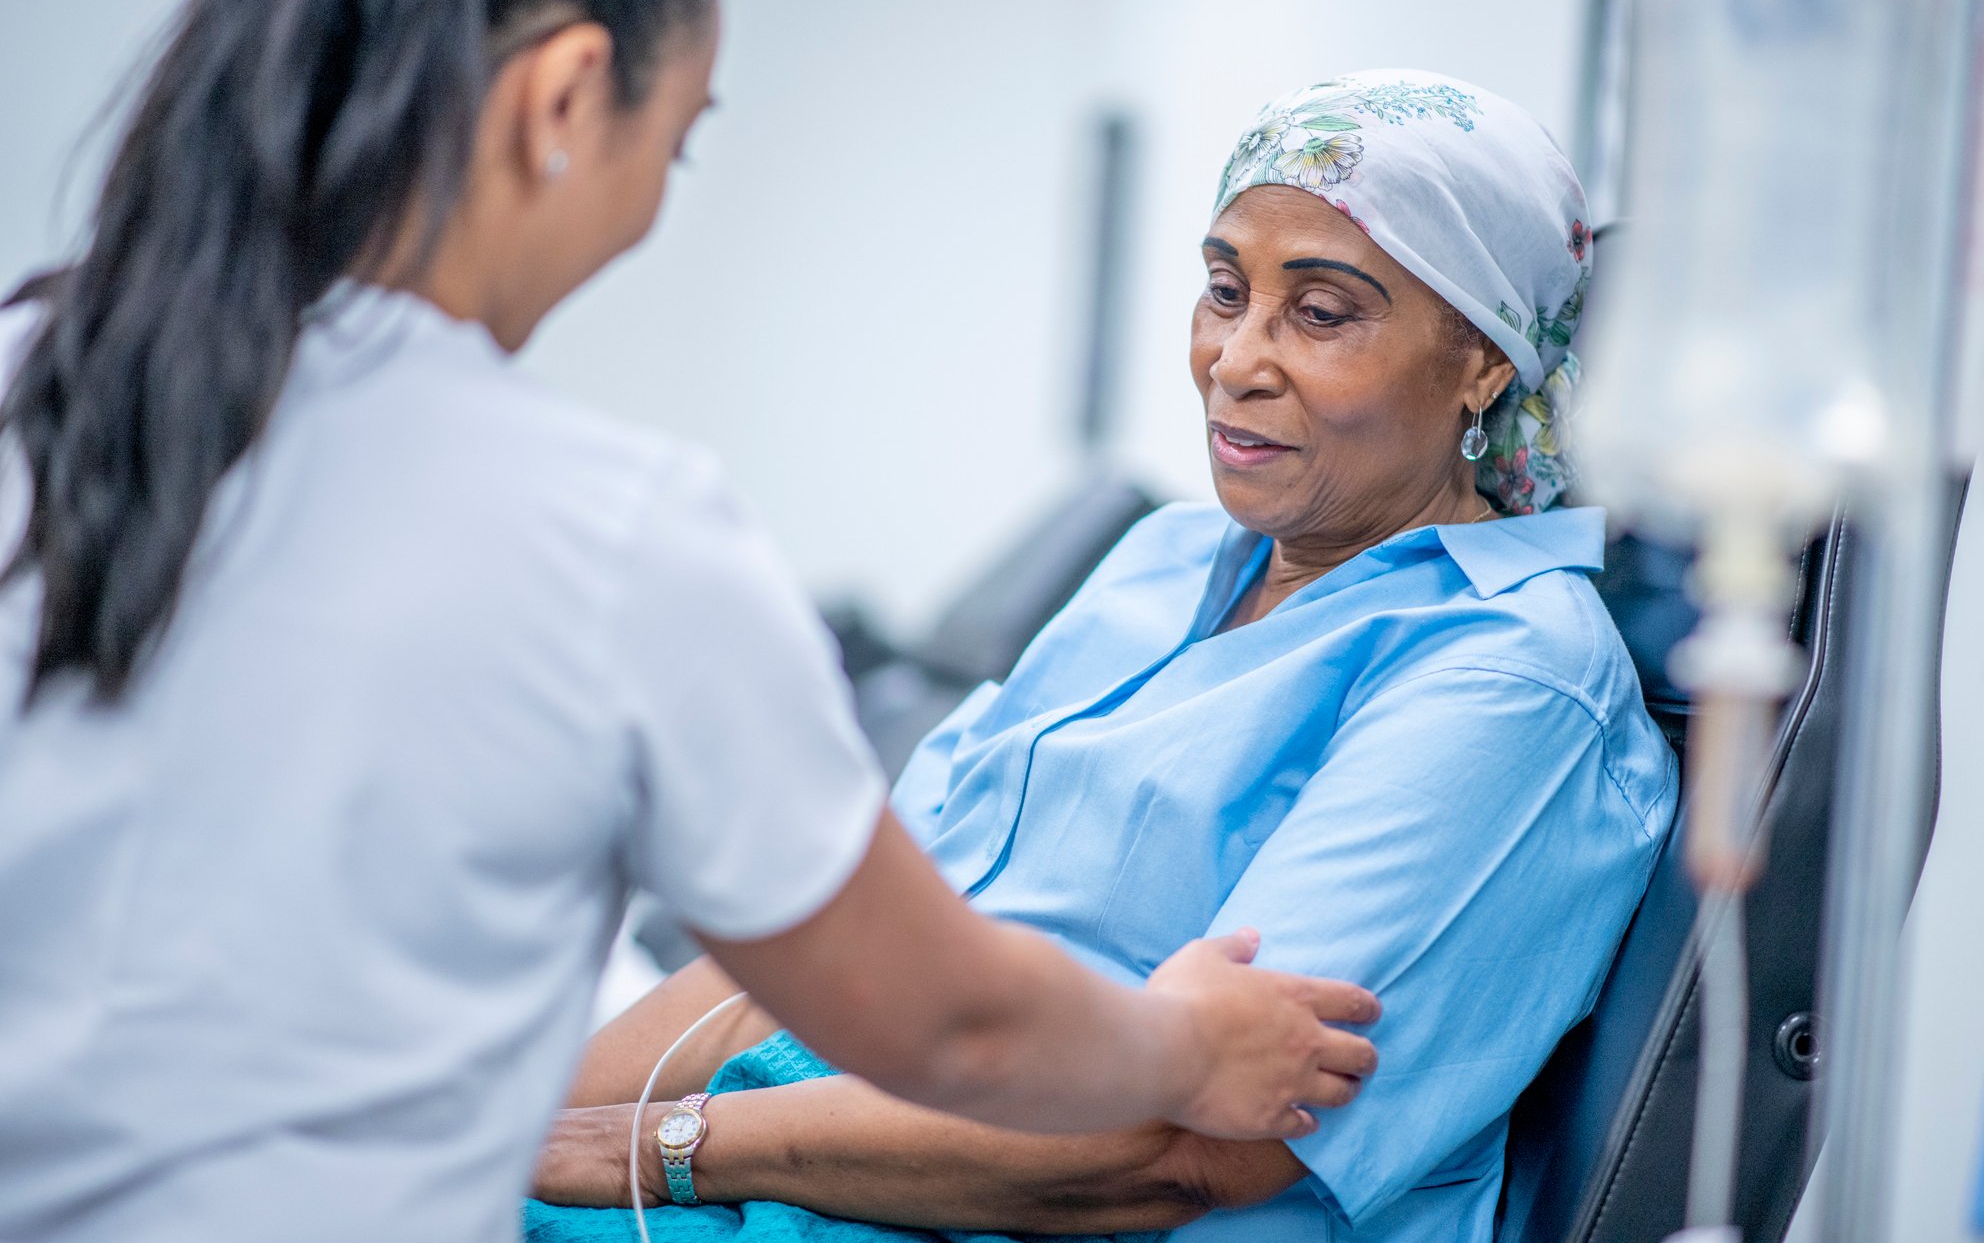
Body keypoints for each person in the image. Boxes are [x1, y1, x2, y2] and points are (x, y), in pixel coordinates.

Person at [0, 0, 1384, 1242]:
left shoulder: (25, 365)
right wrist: (1188, 1045)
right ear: (565, 98)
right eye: (677, 139)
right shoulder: (608, 537)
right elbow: (951, 1019)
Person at [526, 71, 1678, 1243]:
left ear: (1485, 362)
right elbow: (849, 943)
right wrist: (506, 1133)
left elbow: (1186, 1154)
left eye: (1321, 313)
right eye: (1225, 291)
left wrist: (653, 1149)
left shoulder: (1507, 680)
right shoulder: (1167, 559)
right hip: (797, 1161)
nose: (1237, 358)